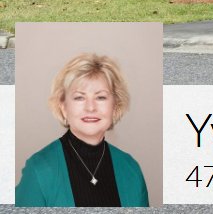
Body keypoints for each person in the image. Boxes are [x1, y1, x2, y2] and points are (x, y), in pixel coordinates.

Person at [15, 53, 149, 207]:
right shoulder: (38, 170)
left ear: (115, 106)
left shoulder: (131, 169)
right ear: (63, 107)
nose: (90, 107)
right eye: (79, 97)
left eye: (101, 97)